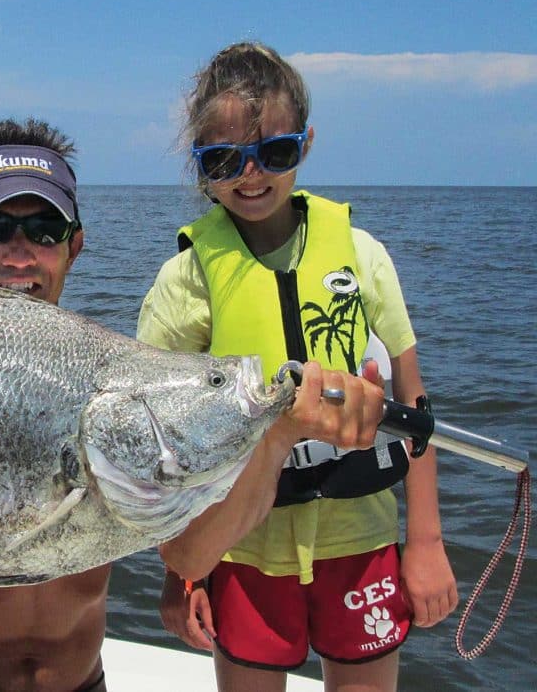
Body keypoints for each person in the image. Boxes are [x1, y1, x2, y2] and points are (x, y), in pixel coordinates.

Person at [0, 117, 390, 692]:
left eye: (44, 229)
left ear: (74, 246)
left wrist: (278, 434)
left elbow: (189, 555)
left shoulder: (117, 389)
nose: (19, 254)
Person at [139, 42, 459, 692]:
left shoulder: (364, 257)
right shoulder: (184, 282)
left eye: (275, 153)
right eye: (224, 159)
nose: (250, 175)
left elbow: (416, 407)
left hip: (362, 537)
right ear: (198, 167)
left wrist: (424, 544)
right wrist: (184, 577)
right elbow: (167, 450)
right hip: (241, 544)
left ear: (306, 144)